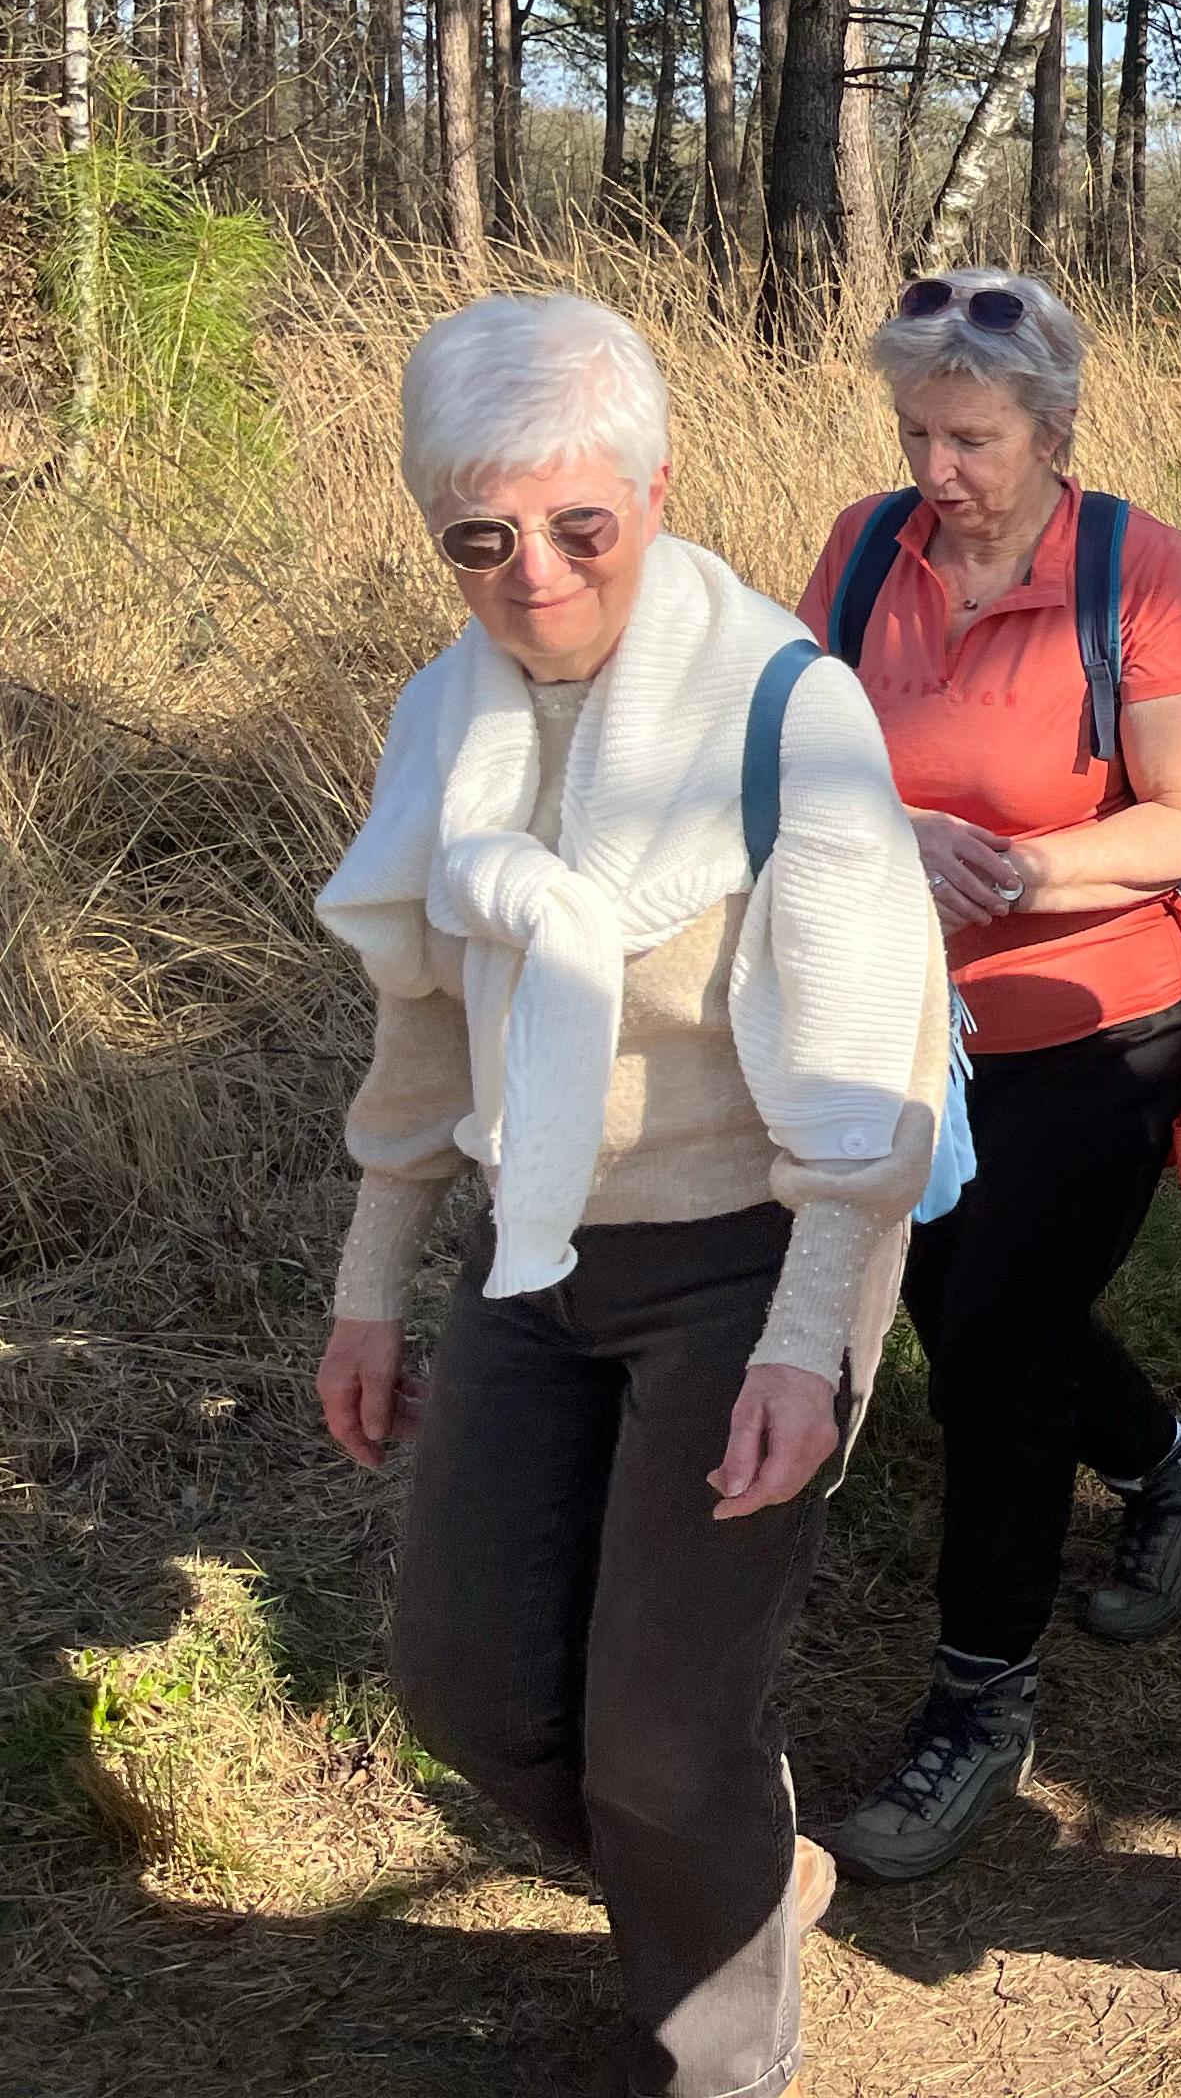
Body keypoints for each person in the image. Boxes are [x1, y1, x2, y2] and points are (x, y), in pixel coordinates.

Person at [315, 293, 949, 2098]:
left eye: (580, 525)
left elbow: (861, 1058)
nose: (535, 575)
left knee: (663, 1745)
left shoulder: (782, 709)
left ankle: (715, 2051)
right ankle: (748, 1877)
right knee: (467, 1690)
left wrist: (804, 1341)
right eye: (482, 536)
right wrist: (374, 1278)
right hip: (533, 1259)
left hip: (750, 1256)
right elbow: (426, 1026)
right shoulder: (450, 716)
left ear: (657, 490)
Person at [802, 268, 1181, 1887]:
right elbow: (798, 747)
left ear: (1053, 428)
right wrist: (878, 835)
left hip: (1096, 1020)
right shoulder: (864, 550)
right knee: (978, 1310)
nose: (938, 470)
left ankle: (979, 1699)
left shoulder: (1134, 567)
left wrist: (1012, 863)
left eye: (972, 438)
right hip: (901, 1021)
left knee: (991, 1352)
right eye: (917, 431)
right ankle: (1174, 1465)